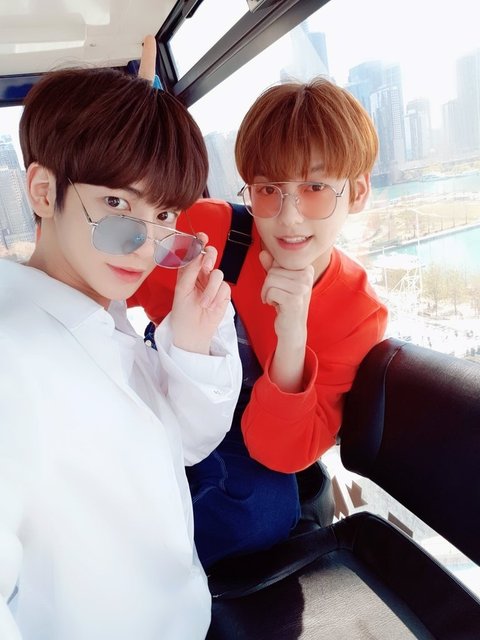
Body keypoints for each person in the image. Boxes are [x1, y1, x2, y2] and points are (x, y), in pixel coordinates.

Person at [0, 54, 242, 640]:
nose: (145, 245)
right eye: (116, 206)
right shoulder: (11, 355)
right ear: (43, 191)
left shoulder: (101, 314)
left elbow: (182, 445)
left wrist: (189, 343)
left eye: (165, 214)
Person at [130, 46, 388, 568]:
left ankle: (138, 567)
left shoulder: (356, 313)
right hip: (165, 397)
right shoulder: (211, 232)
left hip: (245, 443)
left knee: (264, 512)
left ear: (357, 192)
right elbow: (108, 275)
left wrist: (292, 339)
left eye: (315, 188)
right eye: (269, 189)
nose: (289, 217)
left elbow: (280, 453)